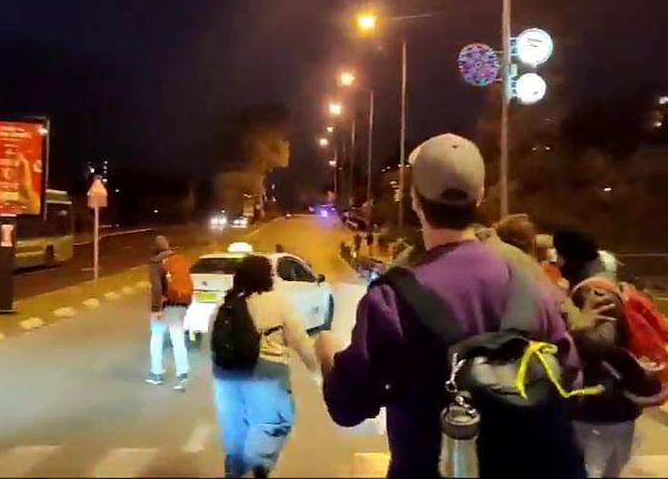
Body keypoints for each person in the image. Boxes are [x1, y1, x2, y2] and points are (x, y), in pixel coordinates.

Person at [314, 134, 583, 479]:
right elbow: (571, 382)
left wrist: (326, 353)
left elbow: (347, 407)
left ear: (414, 200)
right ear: (481, 197)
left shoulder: (391, 300)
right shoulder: (529, 283)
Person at [211, 255, 317, 478]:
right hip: (268, 374)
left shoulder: (225, 304)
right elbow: (301, 341)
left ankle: (234, 470)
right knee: (275, 423)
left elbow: (211, 342)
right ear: (267, 277)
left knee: (235, 431)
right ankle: (261, 465)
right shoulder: (277, 302)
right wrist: (318, 371)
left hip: (226, 376)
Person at [568, 277, 668, 477]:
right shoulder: (620, 348)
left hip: (590, 416)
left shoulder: (579, 340)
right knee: (603, 469)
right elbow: (647, 389)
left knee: (595, 469)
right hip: (613, 418)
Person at [146, 235, 191, 391]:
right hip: (181, 303)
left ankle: (156, 374)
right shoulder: (179, 259)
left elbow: (157, 288)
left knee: (157, 338)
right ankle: (182, 373)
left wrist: (155, 309)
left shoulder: (155, 263)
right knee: (178, 339)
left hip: (165, 305)